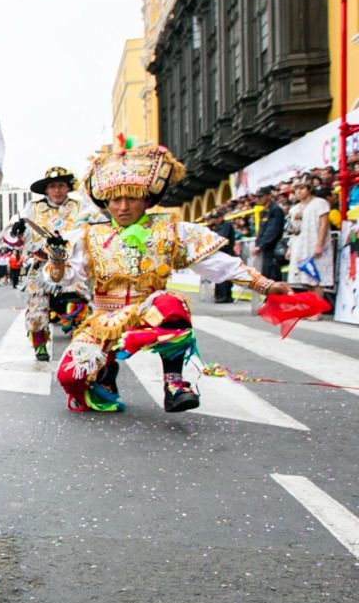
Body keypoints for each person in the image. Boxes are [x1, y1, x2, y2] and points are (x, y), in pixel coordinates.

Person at [46, 143, 289, 414]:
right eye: (116, 200)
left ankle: (174, 384)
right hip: (105, 318)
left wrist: (265, 284)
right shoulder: (89, 236)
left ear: (147, 200)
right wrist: (57, 260)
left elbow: (218, 264)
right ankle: (104, 376)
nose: (123, 207)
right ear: (107, 203)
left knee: (170, 303)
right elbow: (62, 278)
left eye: (132, 198)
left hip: (148, 309)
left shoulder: (170, 230)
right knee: (70, 377)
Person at [2, 166, 89, 360]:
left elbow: (94, 227)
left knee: (80, 306)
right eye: (52, 186)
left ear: (67, 188)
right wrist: (17, 229)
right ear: (46, 190)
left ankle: (80, 341)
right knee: (36, 312)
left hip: (71, 265)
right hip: (41, 265)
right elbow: (12, 236)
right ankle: (40, 345)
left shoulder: (79, 206)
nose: (57, 190)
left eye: (61, 185)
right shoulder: (33, 208)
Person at [286, 181, 334, 299]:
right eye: (296, 189)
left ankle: (317, 311)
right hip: (300, 245)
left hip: (314, 243)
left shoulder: (320, 203)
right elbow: (294, 231)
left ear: (309, 188)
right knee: (305, 280)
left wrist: (320, 244)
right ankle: (312, 309)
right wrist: (290, 248)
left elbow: (324, 224)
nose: (299, 191)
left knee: (316, 278)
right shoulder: (294, 209)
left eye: (302, 188)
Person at [209, 210, 237, 303]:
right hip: (219, 254)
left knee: (225, 276)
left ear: (222, 217)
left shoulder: (226, 225)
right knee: (218, 275)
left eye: (217, 218)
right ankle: (219, 295)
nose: (215, 220)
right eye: (214, 218)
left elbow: (221, 238)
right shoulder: (217, 227)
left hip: (226, 253)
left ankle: (225, 296)